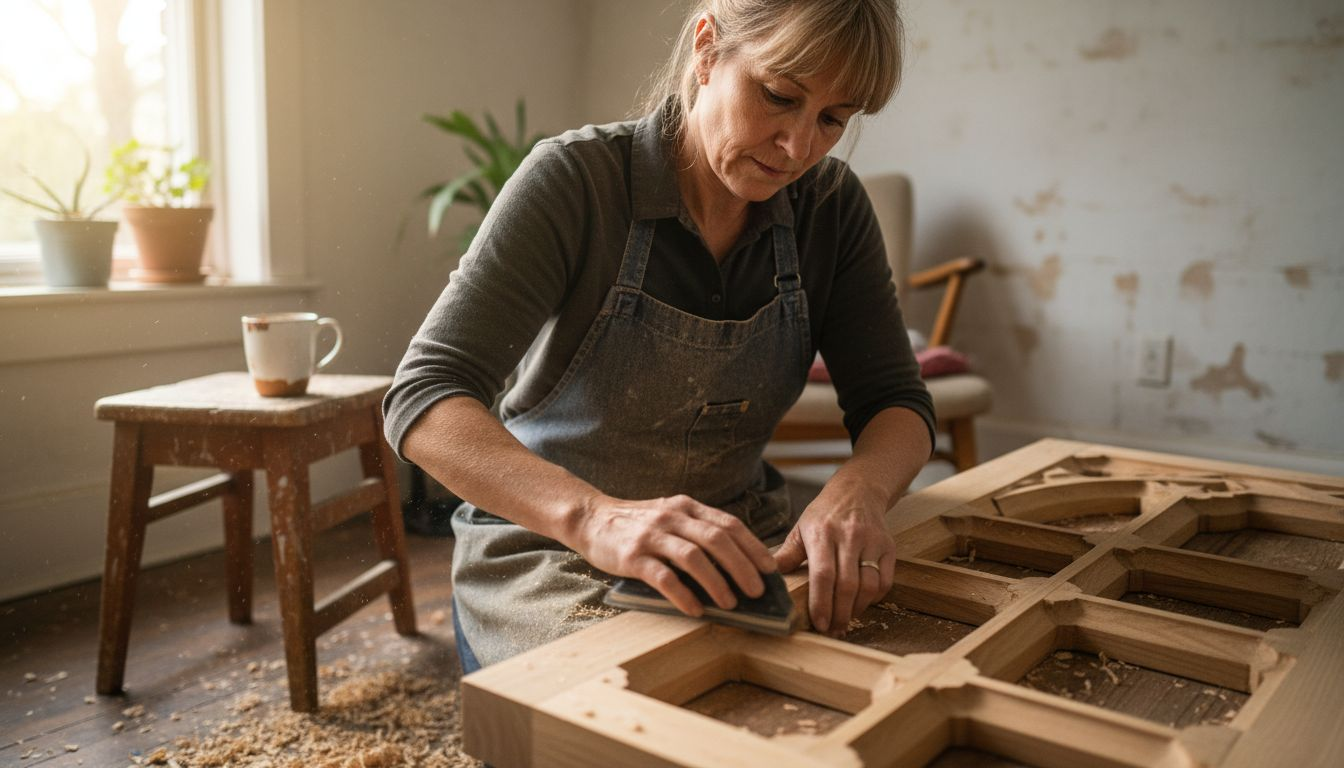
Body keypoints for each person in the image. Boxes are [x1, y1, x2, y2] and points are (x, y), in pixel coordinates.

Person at [384, 0, 934, 674]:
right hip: (553, 552)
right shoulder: (575, 182)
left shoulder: (831, 206)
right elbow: (424, 398)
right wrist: (594, 517)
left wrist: (860, 490)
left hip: (740, 542)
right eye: (779, 96)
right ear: (707, 49)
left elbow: (895, 402)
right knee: (624, 719)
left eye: (832, 119)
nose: (798, 148)